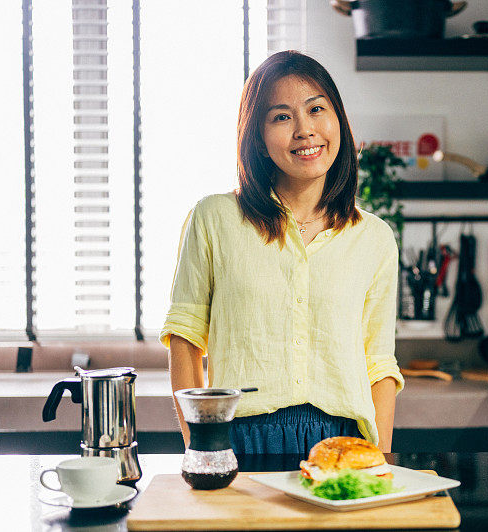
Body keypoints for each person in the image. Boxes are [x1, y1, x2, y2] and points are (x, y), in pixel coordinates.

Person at [160, 50, 403, 456]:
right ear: (257, 136)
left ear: (338, 119)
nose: (305, 130)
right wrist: (201, 448)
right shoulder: (214, 218)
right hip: (239, 437)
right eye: (281, 117)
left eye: (316, 109)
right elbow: (186, 340)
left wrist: (378, 464)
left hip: (345, 443)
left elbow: (379, 364)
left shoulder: (374, 237)